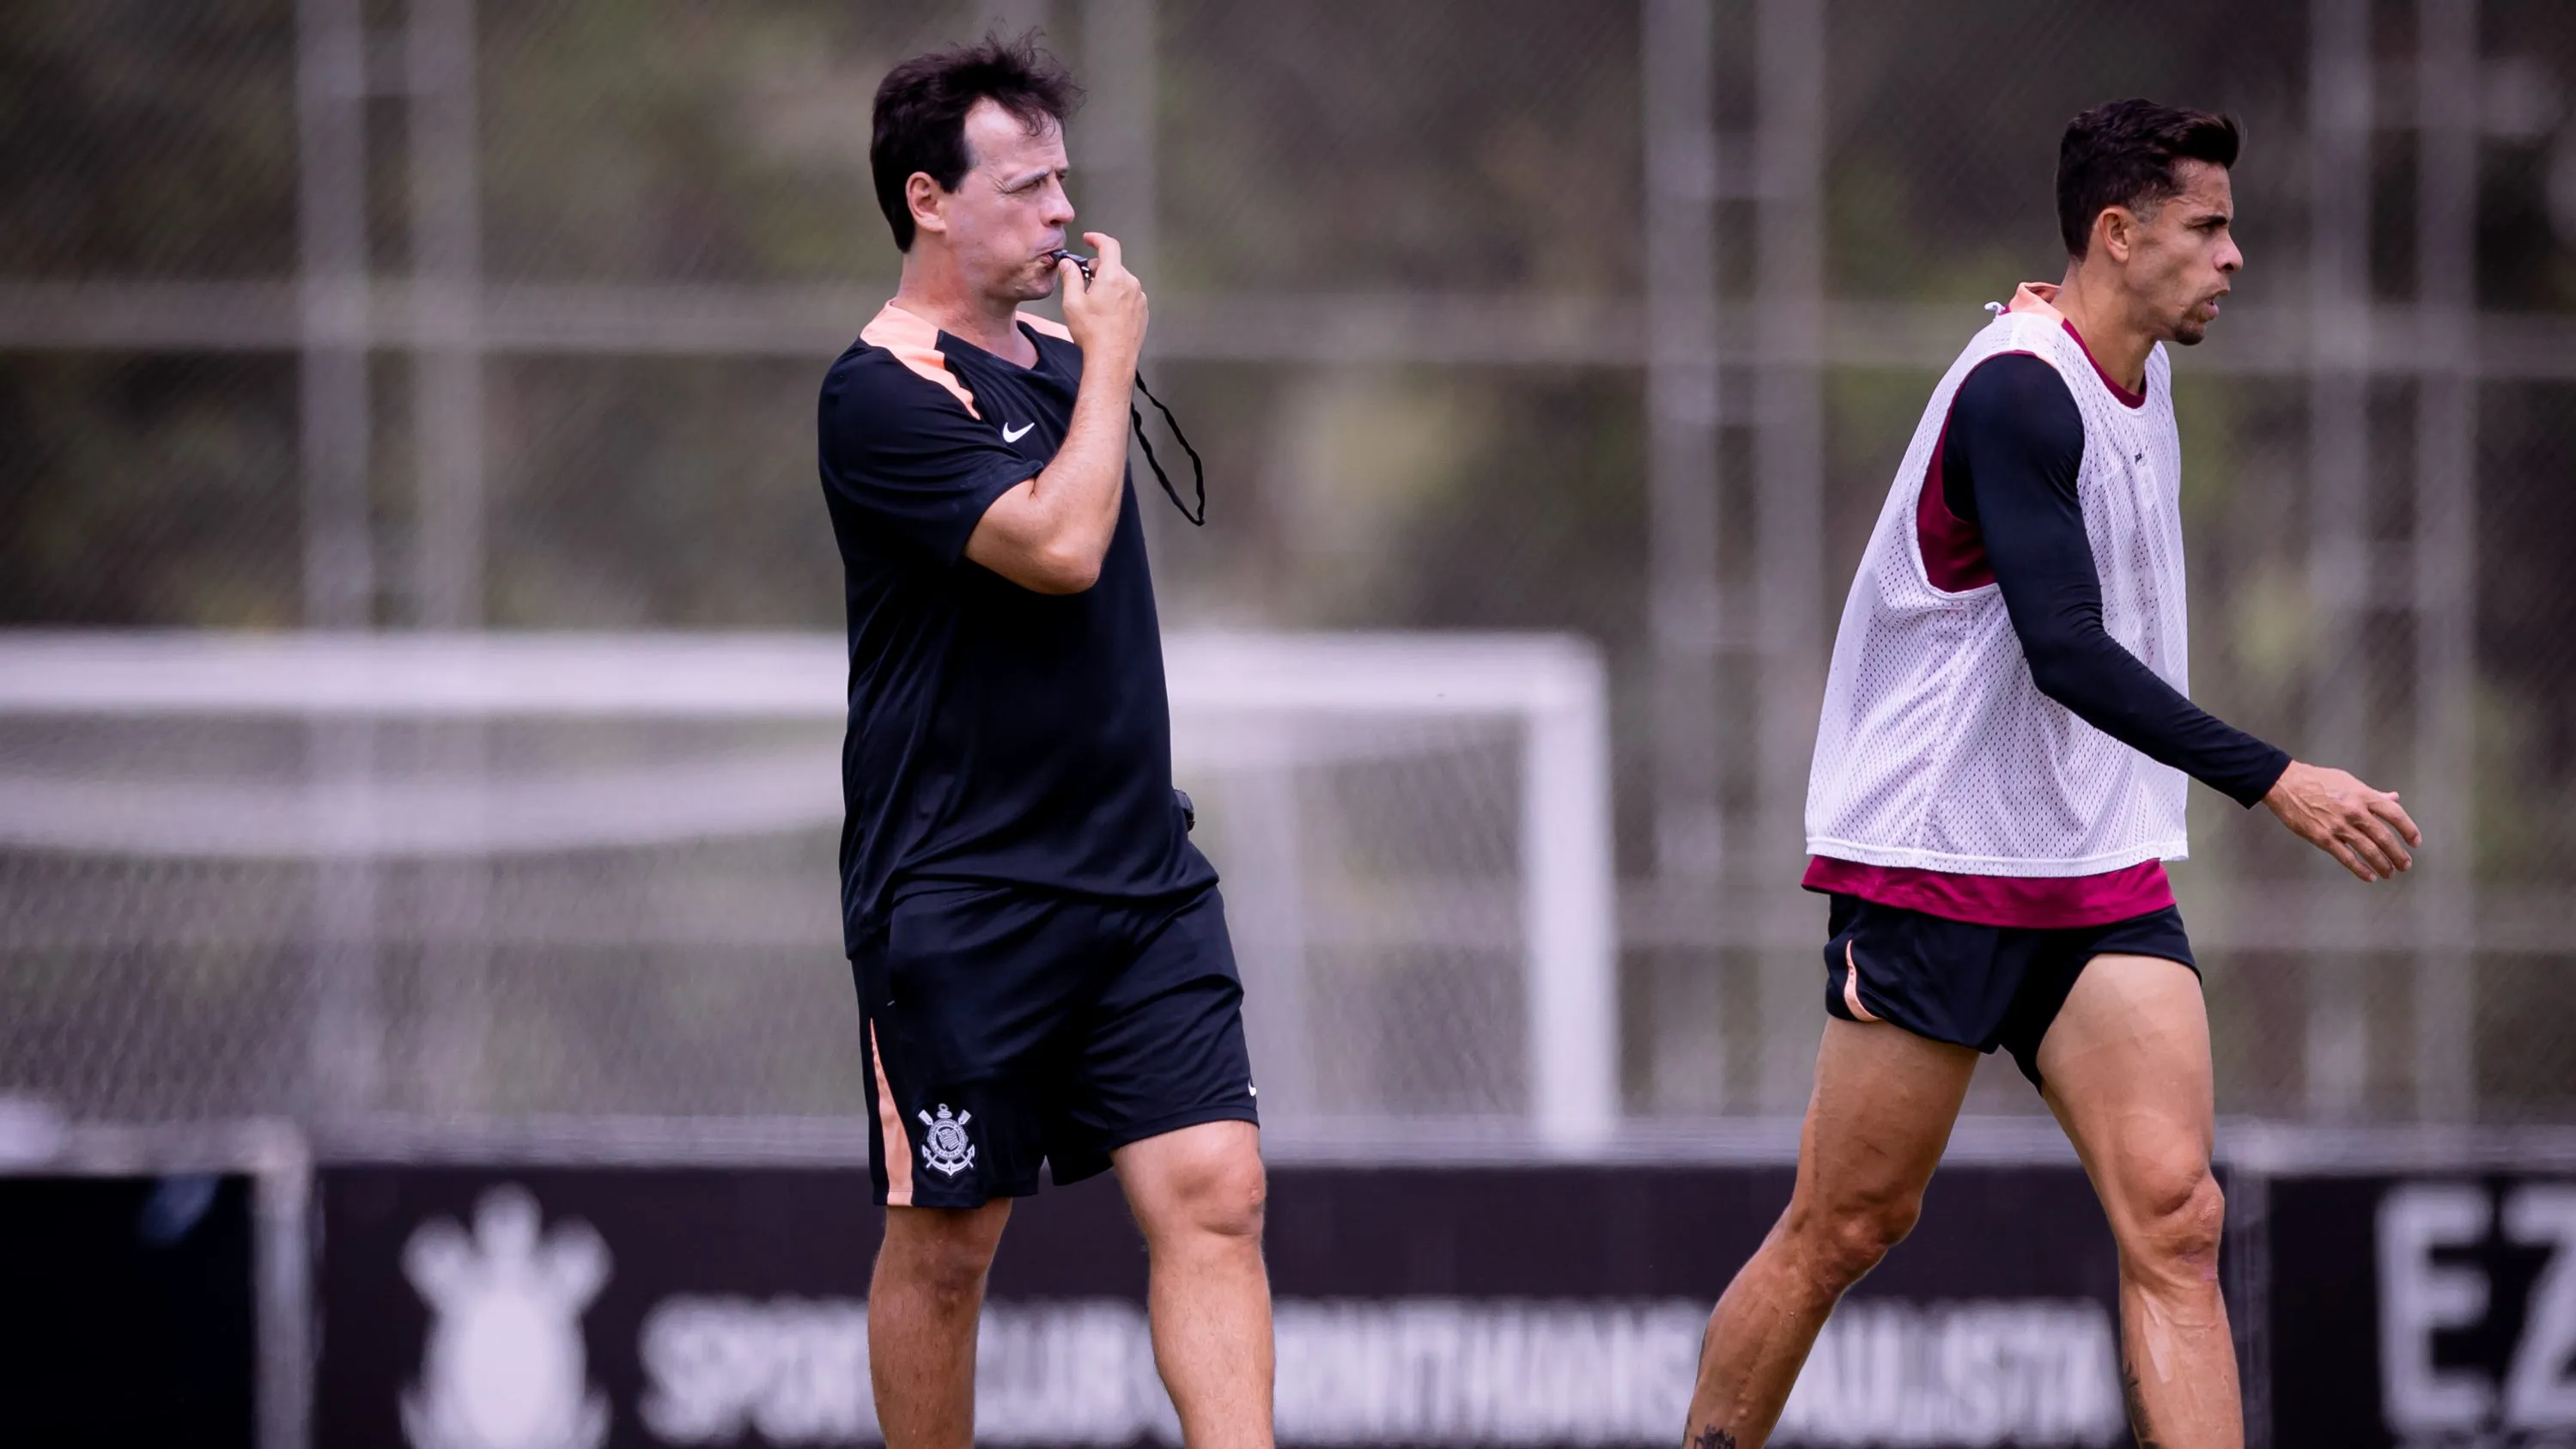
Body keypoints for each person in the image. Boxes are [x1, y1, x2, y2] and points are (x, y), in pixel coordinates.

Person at [1678, 100, 2421, 1449]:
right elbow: (2066, 652)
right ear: (2119, 234)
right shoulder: (2019, 387)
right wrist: (2278, 780)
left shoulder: (2131, 359)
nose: (2234, 255)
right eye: (2208, 227)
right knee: (1849, 1223)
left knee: (2179, 1218)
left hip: (2094, 868)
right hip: (1937, 862)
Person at [816, 33, 1271, 1449]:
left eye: (1064, 181)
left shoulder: (1064, 361)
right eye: (1024, 188)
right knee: (947, 1250)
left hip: (1139, 877)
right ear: (929, 201)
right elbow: (1062, 548)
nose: (1062, 214)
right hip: (963, 895)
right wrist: (1111, 358)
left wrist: (1091, 366)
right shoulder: (880, 392)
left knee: (1217, 1191)